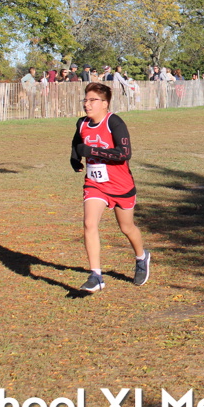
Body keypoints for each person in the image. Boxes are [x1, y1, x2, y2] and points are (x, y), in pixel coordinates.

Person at [70, 82, 149, 292]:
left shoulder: (114, 122)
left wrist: (91, 151)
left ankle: (141, 257)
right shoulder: (82, 123)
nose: (87, 104)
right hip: (95, 184)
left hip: (121, 185)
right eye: (85, 100)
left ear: (105, 103)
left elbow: (124, 153)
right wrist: (75, 158)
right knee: (89, 223)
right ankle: (96, 275)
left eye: (92, 100)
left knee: (127, 228)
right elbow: (77, 143)